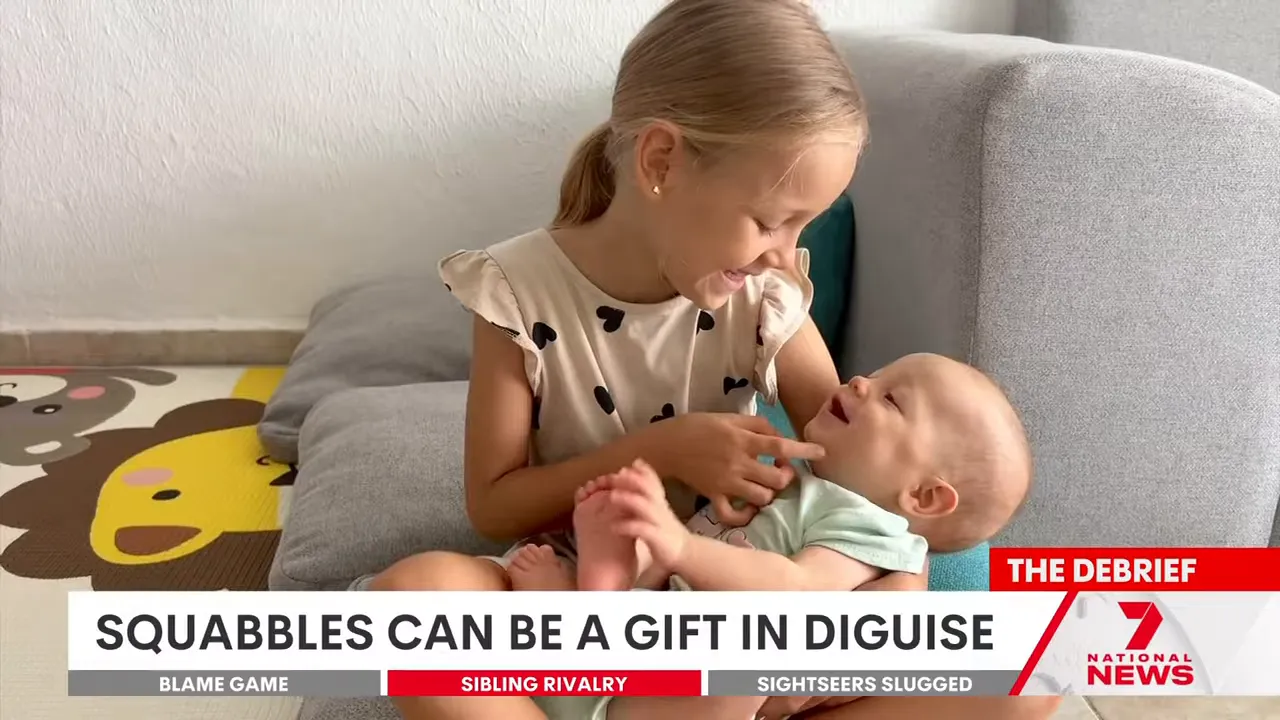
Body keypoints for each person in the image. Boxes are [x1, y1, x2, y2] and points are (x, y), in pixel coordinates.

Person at [366, 1, 1062, 719]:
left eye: (804, 224)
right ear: (661, 161)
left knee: (1023, 685)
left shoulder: (766, 298)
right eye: (770, 220)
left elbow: (866, 486)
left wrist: (892, 597)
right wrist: (663, 451)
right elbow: (493, 505)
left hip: (737, 641)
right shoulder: (516, 295)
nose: (785, 252)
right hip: (573, 594)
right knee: (411, 601)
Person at [508, 353, 1034, 719]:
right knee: (639, 552)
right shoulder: (792, 479)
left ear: (922, 498)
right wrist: (646, 538)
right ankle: (600, 592)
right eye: (874, 374)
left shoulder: (875, 532)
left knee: (743, 672)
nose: (858, 382)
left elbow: (800, 593)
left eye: (892, 400)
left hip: (695, 689)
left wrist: (681, 547)